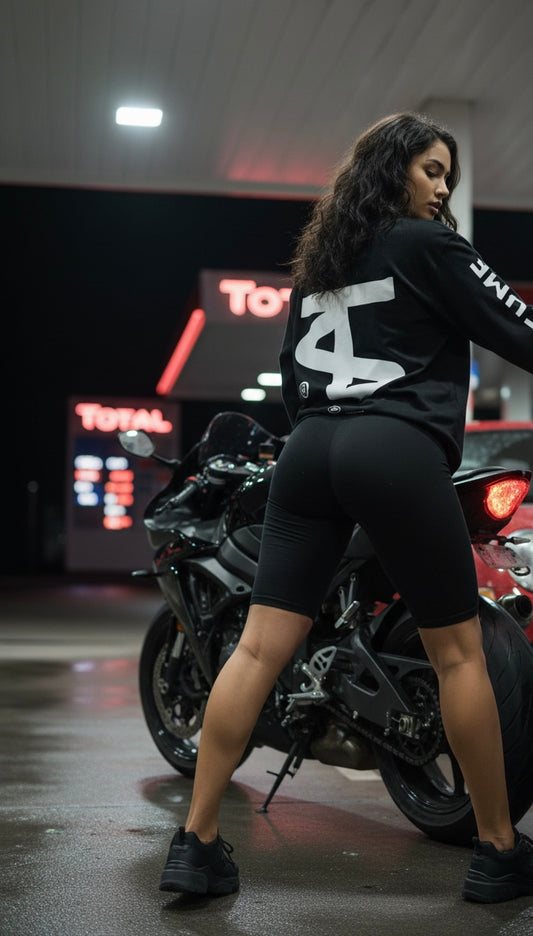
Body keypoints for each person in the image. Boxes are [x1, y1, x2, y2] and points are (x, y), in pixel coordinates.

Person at [159, 112, 533, 904]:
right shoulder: (431, 247)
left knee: (256, 651)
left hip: (309, 452)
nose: (443, 188)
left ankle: (195, 843)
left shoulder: (318, 266)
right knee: (458, 656)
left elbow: (294, 382)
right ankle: (498, 849)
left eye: (448, 175)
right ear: (392, 168)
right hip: (393, 448)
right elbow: (520, 330)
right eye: (431, 170)